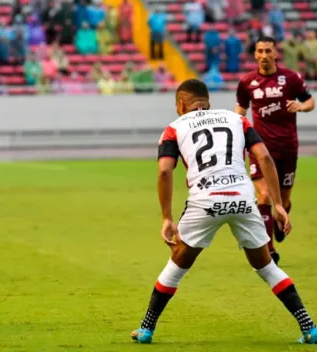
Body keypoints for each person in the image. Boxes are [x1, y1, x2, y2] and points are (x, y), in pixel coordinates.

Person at [131, 79, 317, 345]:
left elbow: (164, 171)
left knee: (177, 263)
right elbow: (264, 157)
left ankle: (147, 329)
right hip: (243, 198)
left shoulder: (174, 128)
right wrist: (276, 204)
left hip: (205, 201)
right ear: (208, 102)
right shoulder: (236, 119)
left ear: (181, 104)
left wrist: (167, 218)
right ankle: (309, 327)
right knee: (265, 266)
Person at [235, 36, 315, 264]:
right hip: (260, 148)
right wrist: (235, 126)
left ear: (275, 53)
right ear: (255, 54)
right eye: (260, 51)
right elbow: (240, 109)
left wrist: (301, 106)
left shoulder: (290, 79)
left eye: (268, 51)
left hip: (287, 147)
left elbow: (310, 101)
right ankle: (268, 249)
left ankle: (281, 218)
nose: (263, 55)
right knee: (266, 195)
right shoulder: (247, 82)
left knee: (284, 198)